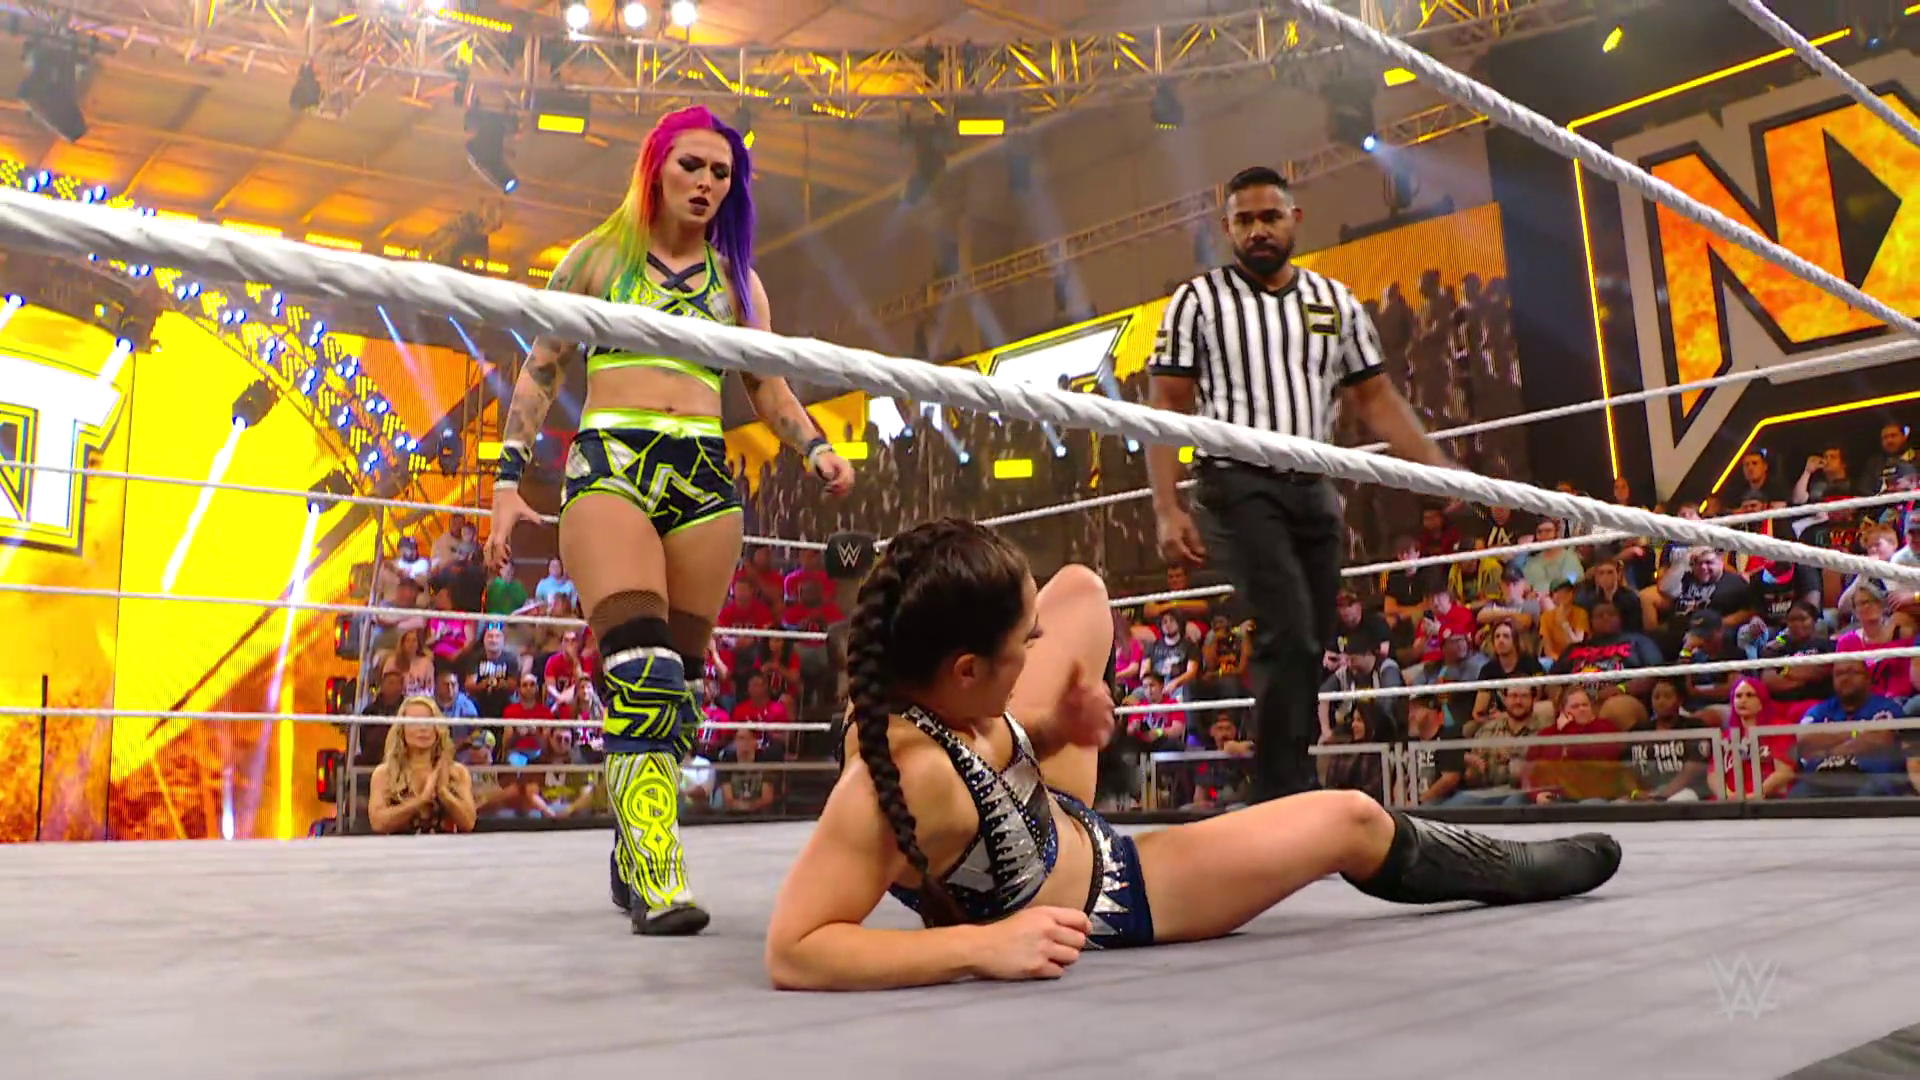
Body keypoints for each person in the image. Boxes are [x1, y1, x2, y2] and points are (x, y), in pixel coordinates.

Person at [762, 520, 1619, 991]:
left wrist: (1054, 728)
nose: (1036, 647)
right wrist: (980, 949)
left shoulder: (918, 684)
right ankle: (1519, 868)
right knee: (1351, 821)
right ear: (966, 671)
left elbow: (994, 734)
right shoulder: (908, 781)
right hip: (1107, 886)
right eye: (1022, 644)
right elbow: (795, 948)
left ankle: (1033, 760)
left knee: (1081, 590)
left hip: (1036, 814)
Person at [485, 105, 855, 936]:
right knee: (643, 672)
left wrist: (815, 449)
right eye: (692, 165)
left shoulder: (737, 282)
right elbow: (541, 370)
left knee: (678, 690)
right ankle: (658, 872)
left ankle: (633, 845)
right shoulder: (598, 257)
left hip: (704, 475)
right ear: (656, 167)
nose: (706, 183)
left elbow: (765, 383)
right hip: (612, 462)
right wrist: (507, 483)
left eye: (721, 173)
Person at [1145, 165, 1451, 802]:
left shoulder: (1334, 301)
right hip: (1235, 481)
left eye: (1270, 217)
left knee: (1310, 636)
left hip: (1313, 485)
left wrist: (1433, 464)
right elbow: (1167, 404)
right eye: (1245, 220)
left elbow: (1375, 397)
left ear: (1294, 219)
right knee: (1285, 624)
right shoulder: (1198, 301)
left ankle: (1288, 776)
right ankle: (1283, 790)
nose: (1258, 230)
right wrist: (1167, 507)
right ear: (1227, 227)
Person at [367, 697, 478, 835]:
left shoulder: (457, 772)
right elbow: (378, 823)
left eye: (428, 722)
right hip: (400, 848)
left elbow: (469, 822)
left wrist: (443, 793)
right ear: (402, 730)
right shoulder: (384, 774)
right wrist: (420, 801)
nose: (423, 728)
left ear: (438, 729)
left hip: (446, 848)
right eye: (414, 723)